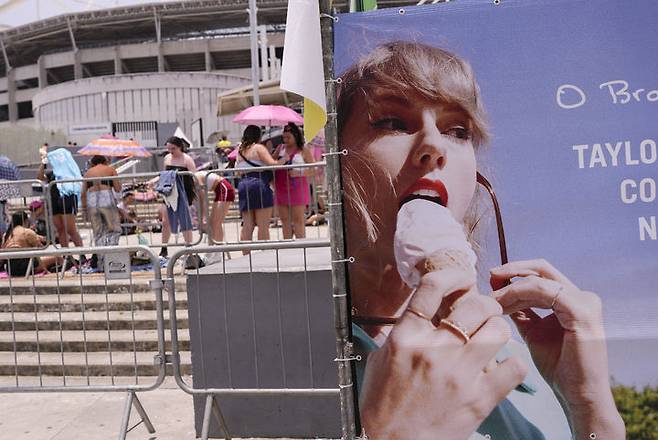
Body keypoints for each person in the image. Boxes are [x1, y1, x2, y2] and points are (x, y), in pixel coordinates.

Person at [337, 41, 625, 439]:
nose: (434, 147)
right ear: (335, 161)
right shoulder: (299, 363)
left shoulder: (522, 357)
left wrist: (588, 405)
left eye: (457, 131)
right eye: (392, 123)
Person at [235, 125, 288, 249]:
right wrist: (284, 159)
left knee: (247, 225)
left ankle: (245, 257)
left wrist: (270, 153)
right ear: (259, 136)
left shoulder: (240, 150)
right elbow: (273, 164)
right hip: (259, 184)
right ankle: (263, 254)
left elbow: (240, 170)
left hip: (244, 185)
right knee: (263, 225)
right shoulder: (258, 148)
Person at [37, 148, 84, 263]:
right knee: (60, 229)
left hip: (67, 198)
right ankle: (66, 255)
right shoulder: (52, 173)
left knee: (71, 229)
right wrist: (43, 162)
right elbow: (39, 177)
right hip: (54, 200)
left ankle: (82, 254)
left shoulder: (69, 171)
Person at [272, 123, 315, 239]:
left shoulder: (303, 150)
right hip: (281, 186)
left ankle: (301, 247)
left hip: (298, 187)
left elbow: (313, 169)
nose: (285, 140)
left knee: (298, 219)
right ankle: (288, 246)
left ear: (296, 136)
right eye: (284, 137)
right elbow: (271, 163)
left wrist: (299, 173)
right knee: (284, 220)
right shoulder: (280, 148)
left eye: (288, 137)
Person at [157, 136, 197, 258]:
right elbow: (164, 175)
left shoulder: (187, 159)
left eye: (173, 148)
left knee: (185, 221)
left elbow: (193, 176)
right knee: (165, 221)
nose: (171, 151)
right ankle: (164, 247)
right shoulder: (167, 158)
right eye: (169, 148)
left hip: (184, 193)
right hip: (169, 193)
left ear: (180, 147)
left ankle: (189, 247)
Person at [81, 155, 121, 268]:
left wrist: (84, 210)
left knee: (98, 233)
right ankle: (111, 260)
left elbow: (83, 193)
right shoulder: (110, 169)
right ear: (105, 162)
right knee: (114, 230)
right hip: (106, 197)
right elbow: (118, 188)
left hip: (92, 199)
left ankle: (101, 262)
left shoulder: (88, 173)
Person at [1, 211, 62, 276]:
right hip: (23, 267)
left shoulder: (7, 234)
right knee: (57, 258)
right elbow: (39, 252)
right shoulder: (27, 232)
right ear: (26, 221)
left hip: (10, 269)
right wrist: (45, 270)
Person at [195, 171, 235, 243]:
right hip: (219, 191)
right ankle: (215, 249)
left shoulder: (196, 178)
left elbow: (203, 199)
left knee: (216, 223)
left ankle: (218, 250)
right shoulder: (194, 178)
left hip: (225, 189)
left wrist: (202, 218)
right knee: (213, 224)